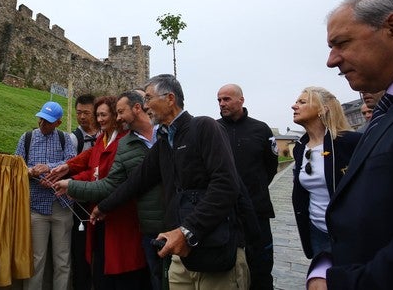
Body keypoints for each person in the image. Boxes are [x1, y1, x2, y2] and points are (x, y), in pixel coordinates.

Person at [91, 74, 250, 290]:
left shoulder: (204, 127)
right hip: (181, 254)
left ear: (170, 98)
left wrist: (187, 231)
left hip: (215, 248)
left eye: (148, 98)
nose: (145, 105)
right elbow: (137, 181)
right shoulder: (165, 141)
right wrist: (103, 207)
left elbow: (226, 185)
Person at [316, 0, 393, 289]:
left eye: (342, 43)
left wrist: (338, 283)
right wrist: (324, 263)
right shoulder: (392, 108)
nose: (332, 60)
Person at [54, 90, 165, 290]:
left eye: (104, 114)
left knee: (129, 273)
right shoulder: (104, 139)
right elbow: (93, 165)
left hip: (121, 216)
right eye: (98, 115)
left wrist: (72, 183)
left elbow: (108, 181)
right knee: (104, 269)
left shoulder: (125, 142)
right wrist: (71, 173)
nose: (100, 119)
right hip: (105, 213)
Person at [216, 84, 277, 290]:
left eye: (226, 99)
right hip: (226, 214)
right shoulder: (214, 130)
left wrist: (254, 189)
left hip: (257, 212)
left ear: (241, 100)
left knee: (260, 267)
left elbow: (271, 166)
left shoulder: (261, 129)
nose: (222, 104)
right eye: (219, 100)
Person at [290, 87, 361, 261]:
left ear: (323, 109)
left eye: (302, 102)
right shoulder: (300, 147)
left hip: (350, 234)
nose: (294, 106)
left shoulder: (351, 143)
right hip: (317, 231)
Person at [14, 101, 76, 290]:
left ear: (58, 122)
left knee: (62, 259)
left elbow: (73, 163)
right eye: (41, 119)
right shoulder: (27, 138)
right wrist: (31, 173)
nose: (43, 124)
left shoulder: (66, 139)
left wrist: (49, 167)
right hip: (36, 208)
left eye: (48, 122)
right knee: (36, 258)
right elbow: (16, 167)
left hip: (62, 206)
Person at [69, 94, 100, 290]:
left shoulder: (105, 136)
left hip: (101, 200)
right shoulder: (74, 138)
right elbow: (71, 166)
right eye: (78, 112)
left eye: (86, 113)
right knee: (80, 251)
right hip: (80, 203)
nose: (81, 117)